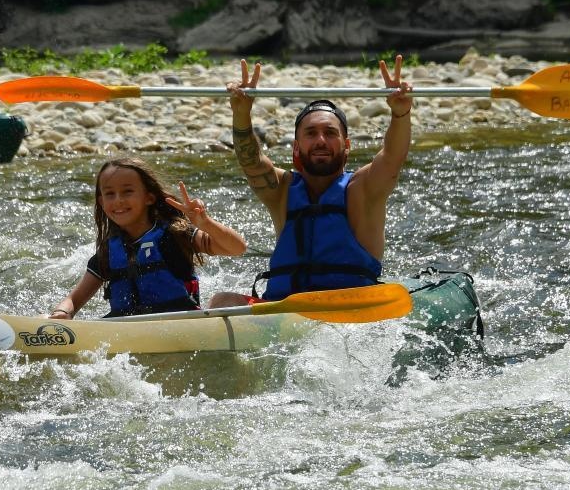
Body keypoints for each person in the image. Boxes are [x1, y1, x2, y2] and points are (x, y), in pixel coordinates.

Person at [210, 54, 414, 306]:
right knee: (222, 301)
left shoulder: (364, 189)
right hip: (284, 312)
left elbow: (393, 157)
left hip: (351, 309)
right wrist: (242, 114)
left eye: (330, 133)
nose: (320, 141)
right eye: (311, 133)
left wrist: (400, 114)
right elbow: (251, 161)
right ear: (296, 147)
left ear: (346, 145)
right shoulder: (282, 191)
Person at [49, 156, 247, 319]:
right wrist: (62, 312)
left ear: (149, 197)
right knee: (45, 320)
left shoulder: (175, 234)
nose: (118, 200)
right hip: (125, 331)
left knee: (226, 300)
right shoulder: (109, 251)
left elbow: (237, 248)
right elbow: (74, 300)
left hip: (181, 325)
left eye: (127, 191)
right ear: (101, 202)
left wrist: (206, 224)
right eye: (110, 194)